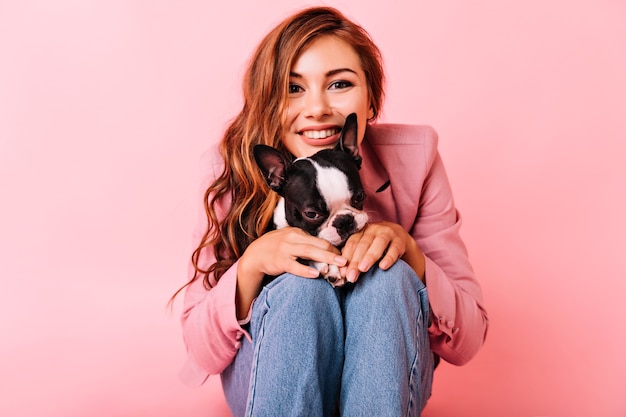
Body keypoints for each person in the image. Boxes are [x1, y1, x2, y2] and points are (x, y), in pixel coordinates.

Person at [175, 6, 488, 417]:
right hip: (270, 379)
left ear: (371, 97)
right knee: (298, 289)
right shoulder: (230, 169)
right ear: (264, 102)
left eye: (339, 83)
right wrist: (251, 267)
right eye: (293, 88)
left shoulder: (417, 157)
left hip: (387, 379)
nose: (318, 107)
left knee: (389, 277)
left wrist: (409, 252)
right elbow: (200, 351)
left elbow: (469, 338)